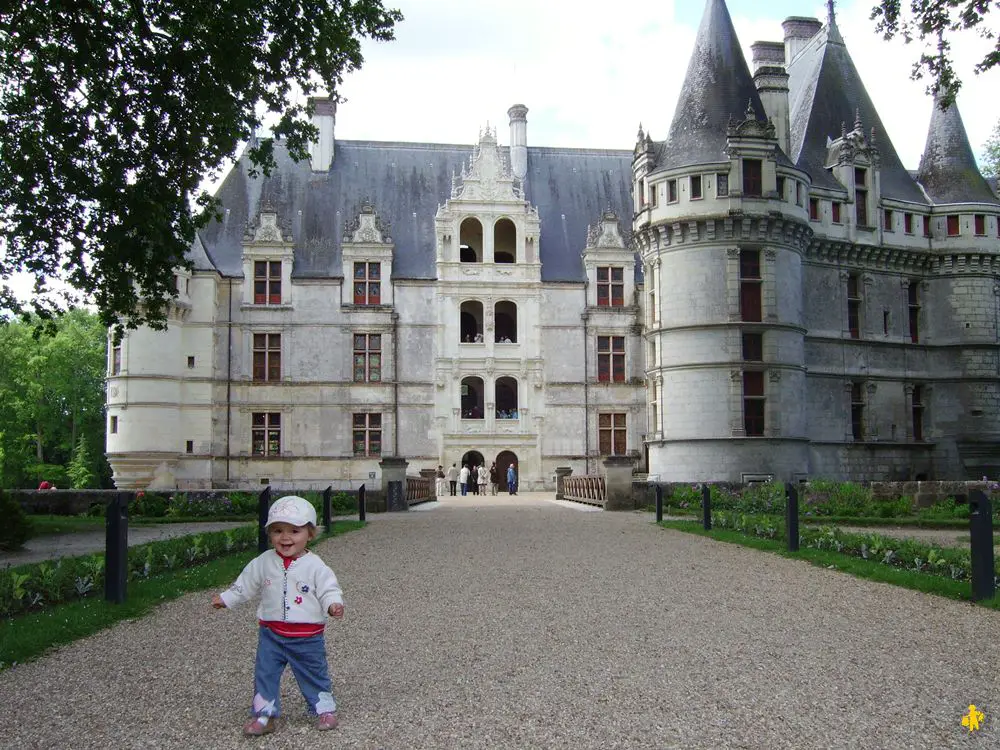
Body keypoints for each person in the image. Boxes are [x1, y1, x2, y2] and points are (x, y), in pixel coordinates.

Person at [211, 496, 344, 736]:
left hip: (307, 636)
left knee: (313, 672)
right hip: (271, 633)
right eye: (278, 531)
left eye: (294, 531)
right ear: (269, 534)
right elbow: (246, 583)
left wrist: (333, 604)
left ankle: (323, 708)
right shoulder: (264, 562)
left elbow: (328, 587)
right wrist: (227, 598)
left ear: (310, 534)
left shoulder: (315, 565)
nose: (285, 538)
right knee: (265, 674)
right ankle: (265, 714)